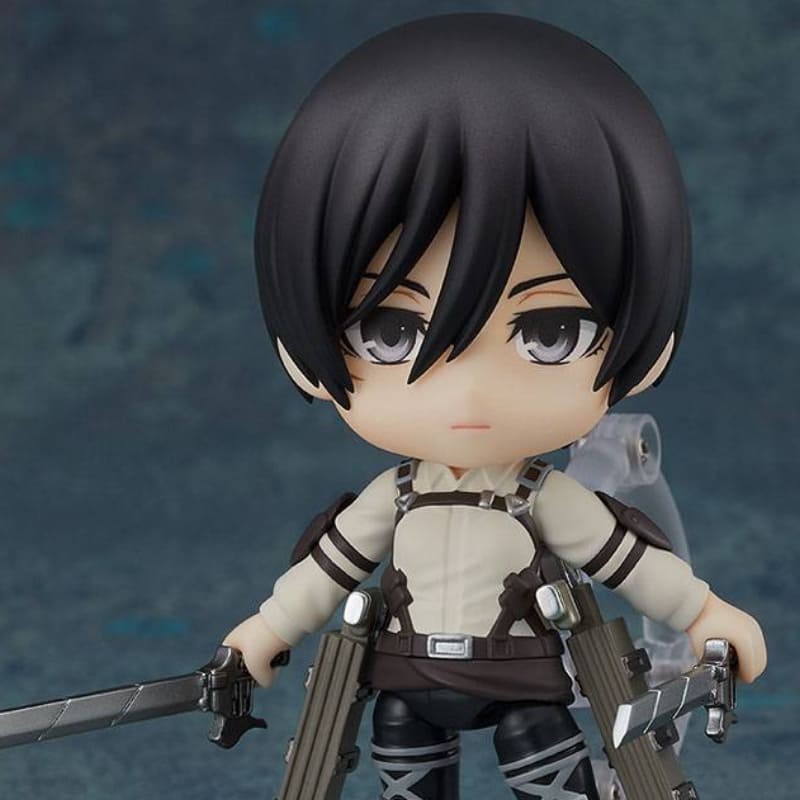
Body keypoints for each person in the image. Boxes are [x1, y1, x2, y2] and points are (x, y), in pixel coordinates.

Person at [224, 14, 767, 800]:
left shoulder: (542, 497)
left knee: (540, 759)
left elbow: (632, 562)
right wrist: (264, 632)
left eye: (551, 332)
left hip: (521, 687)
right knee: (402, 752)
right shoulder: (394, 497)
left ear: (645, 346)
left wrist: (706, 613)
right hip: (407, 680)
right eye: (390, 331)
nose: (469, 391)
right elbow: (324, 572)